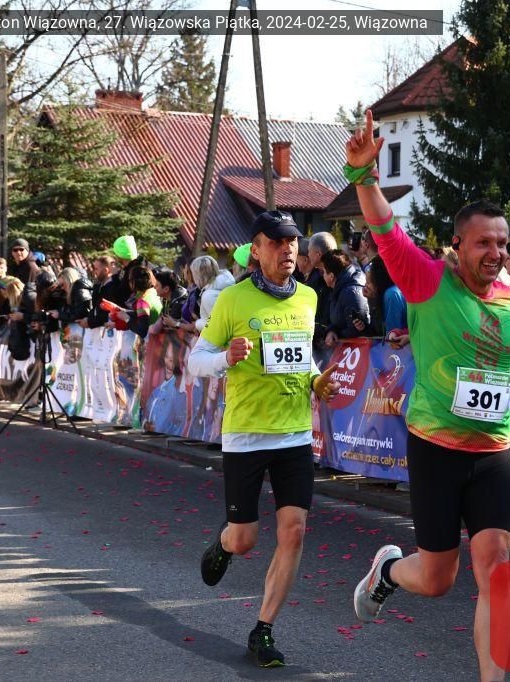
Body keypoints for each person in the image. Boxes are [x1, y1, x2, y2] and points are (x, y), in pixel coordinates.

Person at [345, 111, 510, 682]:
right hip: (437, 449)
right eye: (483, 242)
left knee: (496, 569)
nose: (495, 252)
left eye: (502, 243)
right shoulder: (427, 281)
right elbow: (385, 229)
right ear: (458, 245)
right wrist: (364, 175)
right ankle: (389, 571)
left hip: (492, 454)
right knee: (437, 578)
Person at [187, 210, 340, 668]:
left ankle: (263, 629)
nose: (287, 249)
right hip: (247, 436)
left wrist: (316, 381)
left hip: (294, 434)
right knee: (246, 539)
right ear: (256, 250)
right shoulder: (233, 299)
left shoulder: (308, 297)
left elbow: (302, 357)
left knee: (294, 531)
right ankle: (225, 543)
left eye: (292, 241)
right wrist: (226, 359)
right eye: (276, 242)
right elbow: (197, 360)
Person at [319, 249, 370, 348]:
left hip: (361, 351)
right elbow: (339, 321)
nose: (322, 275)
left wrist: (336, 335)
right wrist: (331, 330)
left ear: (331, 276)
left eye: (323, 272)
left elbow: (357, 331)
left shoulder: (351, 293)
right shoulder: (339, 288)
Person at [192, 256, 235, 333]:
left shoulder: (209, 295)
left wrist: (198, 324)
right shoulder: (224, 284)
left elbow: (218, 325)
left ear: (199, 276)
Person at [84, 256, 121, 329]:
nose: (94, 272)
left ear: (106, 270)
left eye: (96, 269)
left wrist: (89, 322)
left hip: (112, 329)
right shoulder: (99, 286)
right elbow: (96, 308)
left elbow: (106, 313)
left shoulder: (113, 287)